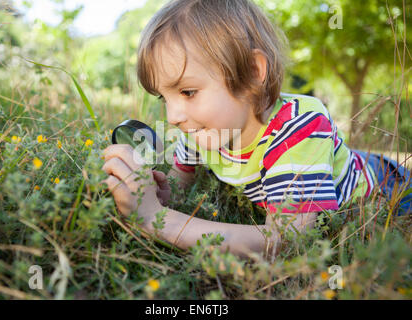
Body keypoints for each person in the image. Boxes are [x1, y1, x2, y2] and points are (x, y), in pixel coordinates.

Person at [101, 0, 411, 259]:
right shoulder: (197, 130)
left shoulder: (299, 127)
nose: (172, 116)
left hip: (387, 187)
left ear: (252, 73)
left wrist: (159, 221)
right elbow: (181, 188)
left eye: (187, 92)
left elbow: (288, 241)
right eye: (162, 97)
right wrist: (155, 193)